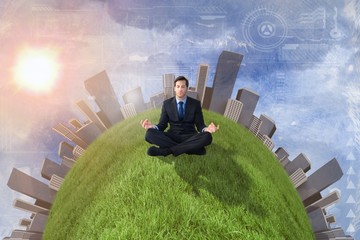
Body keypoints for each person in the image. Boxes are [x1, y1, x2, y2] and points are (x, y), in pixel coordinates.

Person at [140, 75, 219, 157]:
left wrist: (206, 129)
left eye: (183, 87)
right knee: (149, 134)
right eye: (178, 86)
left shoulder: (195, 104)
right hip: (172, 136)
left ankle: (167, 150)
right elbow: (162, 125)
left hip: (190, 136)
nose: (180, 89)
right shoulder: (167, 104)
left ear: (187, 88)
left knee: (207, 136)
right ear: (174, 88)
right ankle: (192, 148)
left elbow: (200, 125)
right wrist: (153, 126)